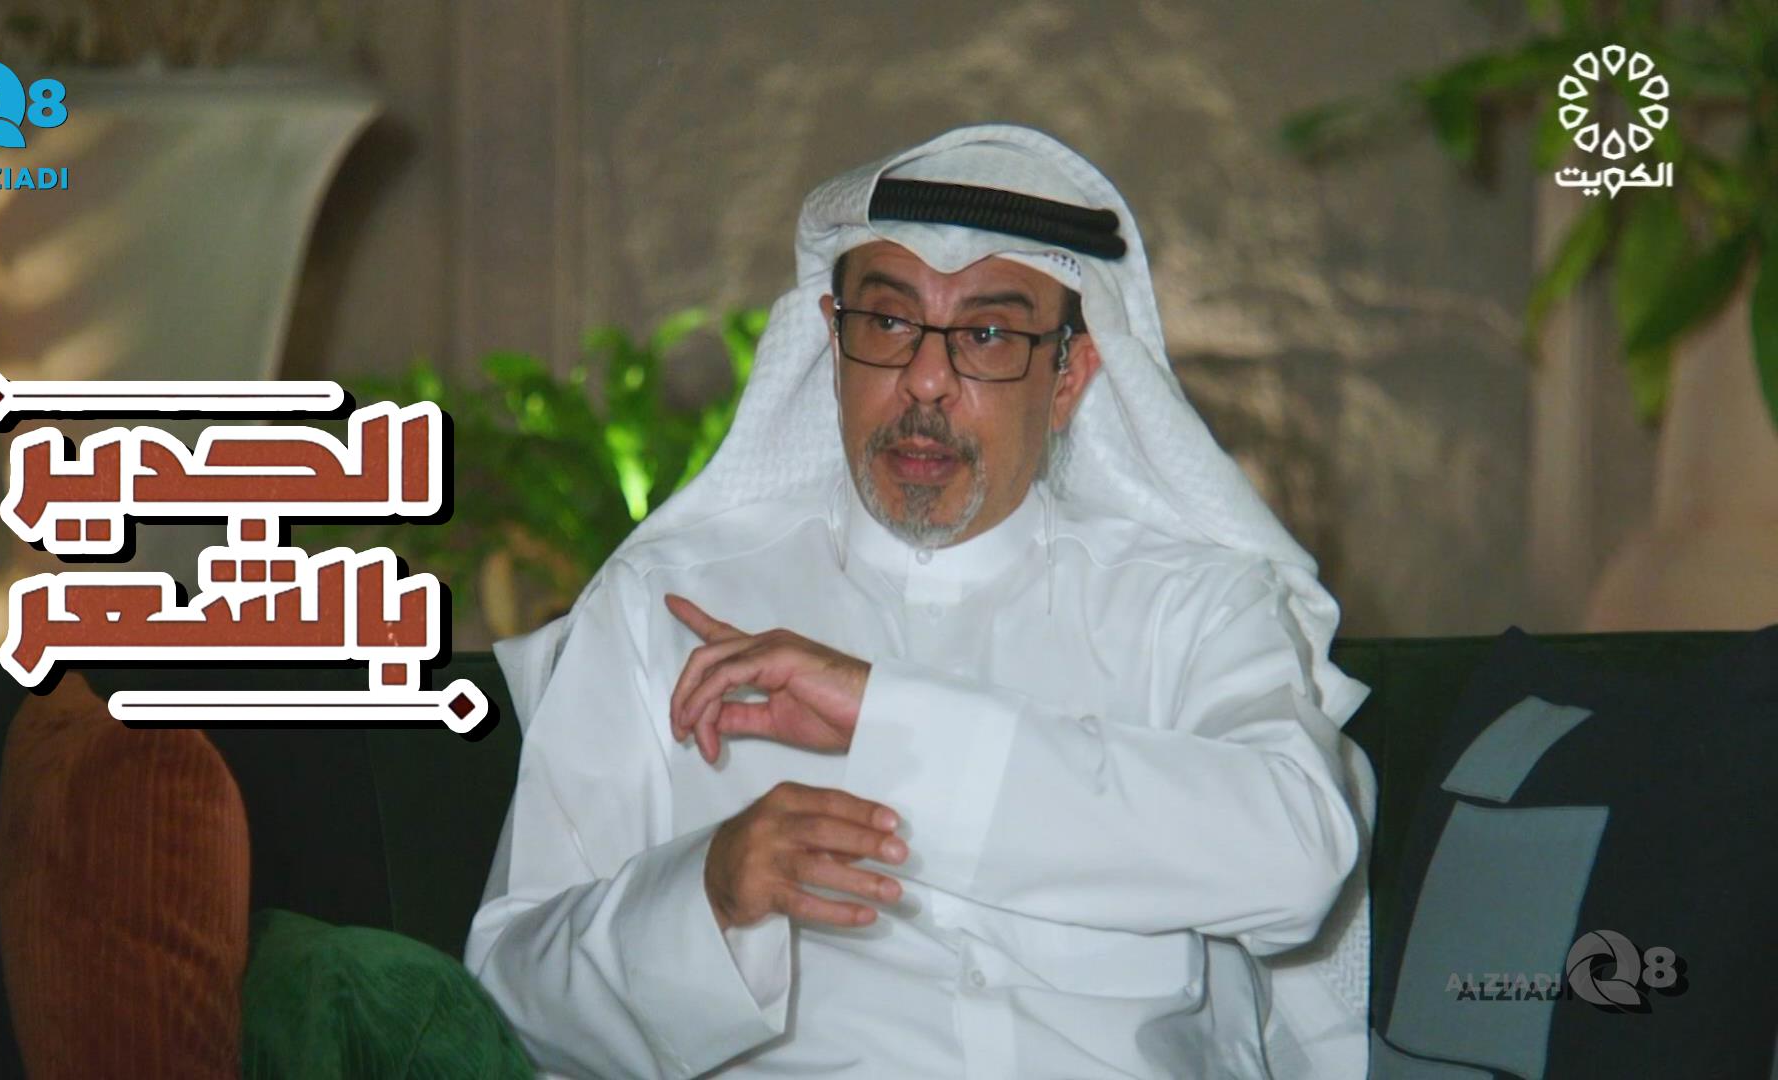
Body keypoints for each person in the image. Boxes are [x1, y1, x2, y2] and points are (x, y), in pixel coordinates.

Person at [466, 124, 1376, 1079]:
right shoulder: (665, 607)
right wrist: (706, 896)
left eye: (987, 334)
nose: (926, 381)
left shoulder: (1189, 605)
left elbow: (1296, 861)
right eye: (889, 323)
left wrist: (886, 719)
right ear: (834, 340)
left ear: (1068, 376)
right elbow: (507, 990)